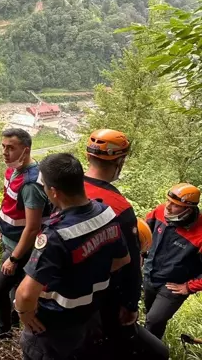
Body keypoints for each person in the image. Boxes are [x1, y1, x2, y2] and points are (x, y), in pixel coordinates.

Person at [15, 153, 131, 360]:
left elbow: (25, 295)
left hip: (54, 326)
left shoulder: (56, 235)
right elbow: (122, 260)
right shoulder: (107, 214)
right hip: (90, 314)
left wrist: (25, 314)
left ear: (54, 191)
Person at [83, 130, 168, 359]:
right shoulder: (119, 207)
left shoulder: (67, 189)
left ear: (88, 156)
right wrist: (130, 304)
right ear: (120, 160)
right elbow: (130, 263)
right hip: (105, 292)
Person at [0, 128, 49, 337]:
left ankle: (3, 331)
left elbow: (33, 227)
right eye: (3, 147)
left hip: (20, 248)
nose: (5, 152)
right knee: (15, 286)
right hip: (11, 239)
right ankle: (13, 321)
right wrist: (1, 225)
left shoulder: (31, 184)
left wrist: (14, 259)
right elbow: (10, 202)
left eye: (11, 148)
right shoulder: (14, 170)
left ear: (26, 150)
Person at [144, 183, 202, 340]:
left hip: (173, 285)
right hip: (150, 275)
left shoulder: (200, 232)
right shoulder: (159, 212)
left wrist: (189, 286)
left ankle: (143, 352)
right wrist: (140, 258)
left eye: (175, 205)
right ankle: (152, 348)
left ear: (188, 209)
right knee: (152, 318)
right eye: (168, 201)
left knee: (154, 319)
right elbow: (143, 234)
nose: (168, 207)